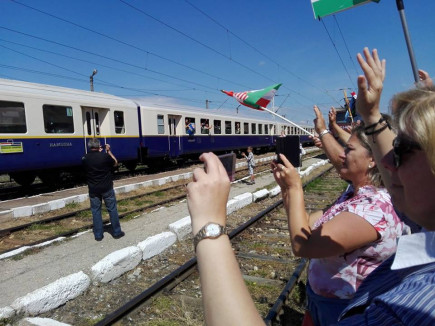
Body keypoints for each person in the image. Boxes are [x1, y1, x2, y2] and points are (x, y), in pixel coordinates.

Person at [336, 47, 435, 325]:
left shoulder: (409, 311)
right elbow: (402, 186)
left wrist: (212, 231)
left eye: (401, 149)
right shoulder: (425, 222)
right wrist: (371, 115)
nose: (388, 165)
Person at [82, 138, 125, 241]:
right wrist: (108, 151)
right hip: (107, 188)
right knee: (112, 209)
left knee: (96, 211)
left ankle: (98, 235)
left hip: (93, 189)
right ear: (98, 146)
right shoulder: (105, 157)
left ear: (89, 146)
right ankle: (117, 232)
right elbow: (115, 162)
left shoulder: (85, 158)